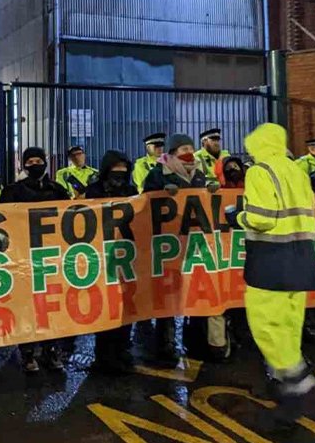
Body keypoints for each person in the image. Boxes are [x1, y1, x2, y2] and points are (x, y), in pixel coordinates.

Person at [225, 123, 315, 424]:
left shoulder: (260, 171)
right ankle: (284, 384)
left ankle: (295, 375)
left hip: (271, 258)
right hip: (301, 255)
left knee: (265, 323)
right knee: (290, 323)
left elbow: (262, 218)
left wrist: (235, 216)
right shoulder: (297, 170)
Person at [143, 134, 220, 363]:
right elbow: (145, 198)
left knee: (196, 289)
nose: (189, 151)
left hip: (194, 240)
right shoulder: (159, 172)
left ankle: (194, 341)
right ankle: (165, 345)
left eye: (191, 147)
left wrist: (211, 189)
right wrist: (161, 193)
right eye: (184, 148)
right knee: (168, 292)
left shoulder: (198, 172)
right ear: (174, 151)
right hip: (169, 240)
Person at [0, 147, 71, 372]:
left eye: (38, 160)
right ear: (24, 165)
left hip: (52, 258)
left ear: (46, 162)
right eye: (30, 161)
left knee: (52, 305)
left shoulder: (58, 190)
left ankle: (52, 350)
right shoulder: (12, 191)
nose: (34, 164)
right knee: (26, 306)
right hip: (24, 259)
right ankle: (28, 353)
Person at [85, 151, 138, 373]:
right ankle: (104, 355)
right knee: (106, 305)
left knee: (127, 304)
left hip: (126, 254)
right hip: (102, 255)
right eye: (115, 168)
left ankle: (123, 349)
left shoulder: (131, 190)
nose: (120, 172)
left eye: (124, 168)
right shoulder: (94, 191)